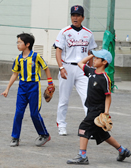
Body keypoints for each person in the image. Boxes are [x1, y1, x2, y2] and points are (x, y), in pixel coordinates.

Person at [67, 49, 131, 165]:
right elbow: (80, 63)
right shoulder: (91, 71)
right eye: (94, 57)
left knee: (83, 127)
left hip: (98, 109)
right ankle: (123, 150)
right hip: (91, 108)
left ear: (104, 62)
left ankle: (82, 156)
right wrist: (92, 55)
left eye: (97, 58)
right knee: (102, 134)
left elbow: (108, 96)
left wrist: (106, 113)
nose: (94, 59)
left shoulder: (105, 78)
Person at [1, 33, 53, 147]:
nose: (18, 44)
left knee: (34, 114)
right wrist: (7, 89)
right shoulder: (18, 59)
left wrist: (50, 83)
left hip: (34, 87)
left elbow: (46, 68)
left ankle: (44, 134)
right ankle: (15, 137)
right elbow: (15, 74)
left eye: (20, 42)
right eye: (17, 42)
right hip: (22, 87)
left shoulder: (36, 56)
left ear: (27, 44)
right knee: (18, 112)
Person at [53, 5, 97, 135]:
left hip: (83, 69)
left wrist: (91, 69)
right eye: (73, 15)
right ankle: (61, 124)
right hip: (67, 67)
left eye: (78, 15)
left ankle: (90, 126)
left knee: (88, 98)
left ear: (83, 17)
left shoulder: (88, 33)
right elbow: (58, 51)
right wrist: (61, 67)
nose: (75, 17)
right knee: (64, 99)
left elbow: (90, 52)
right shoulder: (64, 31)